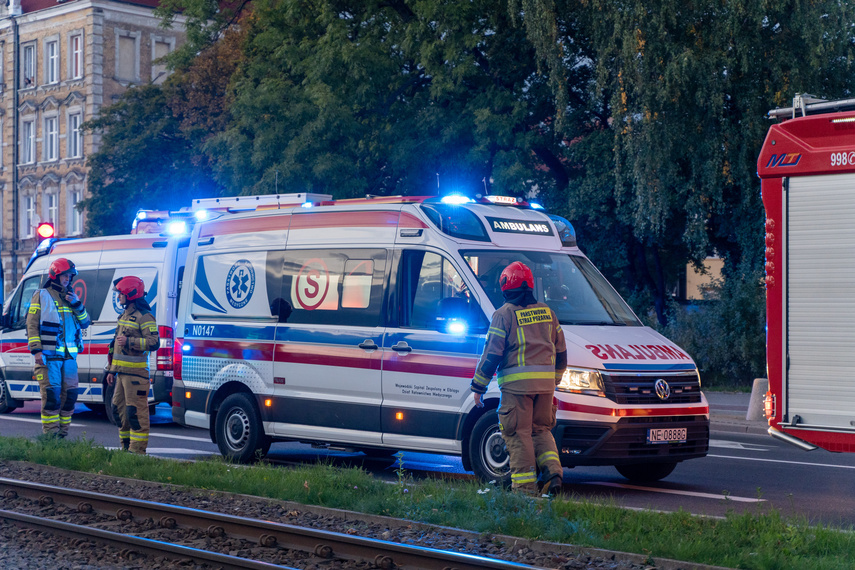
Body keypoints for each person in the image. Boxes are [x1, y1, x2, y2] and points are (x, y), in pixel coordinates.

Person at [470, 261, 567, 496]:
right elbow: (561, 352)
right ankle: (553, 474)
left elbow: (492, 354)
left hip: (517, 388)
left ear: (505, 287)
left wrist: (478, 386)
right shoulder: (548, 313)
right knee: (541, 430)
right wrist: (554, 380)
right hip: (545, 388)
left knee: (518, 434)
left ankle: (524, 492)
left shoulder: (504, 315)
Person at [26, 258, 91, 438]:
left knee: (70, 397)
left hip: (69, 358)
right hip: (48, 357)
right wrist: (36, 350)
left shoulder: (72, 298)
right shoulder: (42, 295)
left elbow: (85, 322)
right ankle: (50, 438)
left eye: (70, 276)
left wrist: (77, 304)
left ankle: (62, 437)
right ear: (56, 275)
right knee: (52, 397)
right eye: (65, 275)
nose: (68, 279)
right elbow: (31, 325)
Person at [106, 276, 159, 454]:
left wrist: (130, 341)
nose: (118, 296)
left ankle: (137, 453)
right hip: (121, 374)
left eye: (120, 293)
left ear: (130, 294)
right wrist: (111, 370)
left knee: (135, 414)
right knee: (119, 412)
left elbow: (154, 342)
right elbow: (115, 346)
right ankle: (125, 450)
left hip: (136, 375)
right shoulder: (124, 316)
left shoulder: (144, 317)